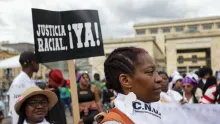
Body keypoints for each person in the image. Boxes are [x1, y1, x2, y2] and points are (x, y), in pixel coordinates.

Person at [95, 47, 163, 124]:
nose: (159, 78)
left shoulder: (159, 110)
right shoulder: (115, 121)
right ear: (125, 80)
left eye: (156, 72)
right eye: (150, 71)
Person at [7, 51, 39, 124]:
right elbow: (16, 111)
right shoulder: (18, 83)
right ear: (32, 62)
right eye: (37, 61)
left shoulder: (29, 80)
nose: (38, 64)